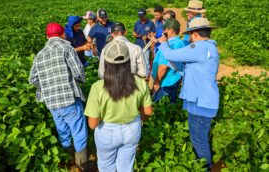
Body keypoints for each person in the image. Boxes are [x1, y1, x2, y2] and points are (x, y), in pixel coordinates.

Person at [157, 17, 219, 169]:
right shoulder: (208, 48)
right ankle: (203, 164)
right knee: (198, 138)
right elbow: (190, 71)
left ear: (195, 33)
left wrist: (163, 43)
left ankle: (206, 167)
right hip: (201, 101)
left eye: (190, 34)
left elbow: (171, 54)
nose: (189, 38)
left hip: (201, 103)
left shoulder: (200, 47)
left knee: (198, 140)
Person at [84, 40, 153, 172]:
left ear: (106, 62)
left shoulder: (97, 87)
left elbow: (92, 124)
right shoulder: (140, 82)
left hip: (107, 131)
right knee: (126, 167)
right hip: (132, 129)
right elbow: (148, 111)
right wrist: (139, 120)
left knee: (106, 166)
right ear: (128, 61)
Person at [29, 22, 88, 170]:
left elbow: (33, 80)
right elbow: (78, 73)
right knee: (78, 131)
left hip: (52, 103)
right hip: (69, 99)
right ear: (62, 34)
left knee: (63, 131)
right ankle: (82, 164)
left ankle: (68, 162)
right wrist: (81, 81)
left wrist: (48, 85)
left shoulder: (40, 55)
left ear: (47, 36)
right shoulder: (66, 48)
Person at [150, 18, 184, 103]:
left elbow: (163, 67)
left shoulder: (170, 44)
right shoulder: (180, 43)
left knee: (160, 109)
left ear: (171, 30)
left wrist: (157, 82)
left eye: (165, 29)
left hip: (165, 83)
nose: (163, 31)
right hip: (174, 80)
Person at [133, 8, 155, 77]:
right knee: (137, 60)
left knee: (146, 60)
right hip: (138, 43)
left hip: (146, 45)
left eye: (142, 16)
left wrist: (148, 36)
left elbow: (153, 33)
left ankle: (147, 75)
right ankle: (138, 74)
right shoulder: (137, 23)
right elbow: (134, 32)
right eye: (140, 16)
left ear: (145, 15)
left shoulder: (151, 23)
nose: (141, 18)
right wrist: (135, 35)